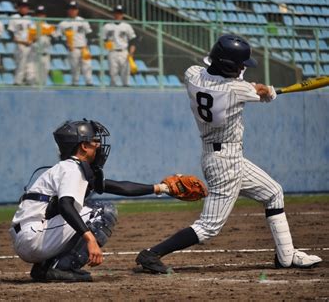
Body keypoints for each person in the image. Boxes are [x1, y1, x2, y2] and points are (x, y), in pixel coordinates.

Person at [135, 34, 322, 273]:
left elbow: (228, 81)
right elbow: (262, 92)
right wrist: (268, 91)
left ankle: (286, 256)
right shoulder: (238, 89)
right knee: (209, 225)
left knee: (274, 192)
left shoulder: (193, 75)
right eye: (240, 65)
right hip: (226, 163)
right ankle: (152, 254)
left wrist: (256, 88)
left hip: (222, 156)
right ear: (229, 66)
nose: (243, 68)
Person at [10, 119, 183, 282]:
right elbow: (65, 205)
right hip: (34, 237)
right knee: (103, 212)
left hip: (31, 235)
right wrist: (90, 239)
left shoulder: (68, 168)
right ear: (83, 146)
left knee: (87, 211)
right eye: (94, 141)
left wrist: (160, 188)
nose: (99, 145)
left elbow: (117, 187)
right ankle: (62, 267)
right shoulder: (71, 170)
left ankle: (44, 267)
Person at [55, 1, 93, 86]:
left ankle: (89, 83)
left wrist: (88, 45)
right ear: (68, 10)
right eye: (71, 9)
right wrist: (66, 44)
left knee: (87, 66)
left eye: (74, 9)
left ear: (77, 10)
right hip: (73, 48)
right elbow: (57, 37)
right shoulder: (63, 23)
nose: (73, 11)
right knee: (74, 68)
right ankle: (75, 83)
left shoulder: (83, 21)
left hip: (84, 48)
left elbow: (89, 34)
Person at [102, 5, 136, 86]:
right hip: (112, 52)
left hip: (124, 52)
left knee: (126, 74)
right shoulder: (107, 26)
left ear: (122, 15)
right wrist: (107, 45)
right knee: (113, 74)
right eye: (116, 13)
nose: (118, 15)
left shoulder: (127, 26)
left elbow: (133, 40)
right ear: (113, 14)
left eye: (120, 13)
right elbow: (103, 38)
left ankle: (126, 92)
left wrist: (131, 52)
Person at [8, 0, 34, 85]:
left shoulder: (30, 18)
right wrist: (19, 41)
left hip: (29, 45)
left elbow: (33, 32)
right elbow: (10, 32)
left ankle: (28, 82)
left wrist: (32, 40)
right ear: (18, 7)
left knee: (29, 65)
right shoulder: (14, 18)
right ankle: (17, 82)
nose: (25, 8)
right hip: (20, 45)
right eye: (23, 6)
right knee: (21, 65)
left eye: (26, 6)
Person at [31, 4, 53, 85]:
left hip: (45, 54)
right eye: (38, 14)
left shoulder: (49, 26)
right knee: (34, 79)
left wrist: (47, 34)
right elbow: (29, 40)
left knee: (44, 79)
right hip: (34, 54)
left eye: (42, 14)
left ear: (45, 15)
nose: (40, 16)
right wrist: (37, 35)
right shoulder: (32, 26)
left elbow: (54, 38)